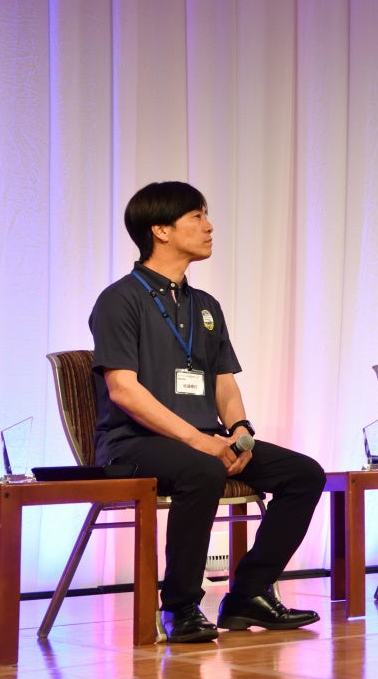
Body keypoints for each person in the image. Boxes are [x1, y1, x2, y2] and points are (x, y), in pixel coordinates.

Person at [90, 181, 325, 642]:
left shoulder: (205, 306)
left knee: (304, 474)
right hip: (132, 443)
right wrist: (202, 443)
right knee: (203, 470)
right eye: (197, 217)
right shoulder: (120, 299)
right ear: (160, 230)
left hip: (205, 440)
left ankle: (248, 595)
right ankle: (180, 607)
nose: (209, 226)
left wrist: (239, 433)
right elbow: (124, 391)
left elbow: (224, 382)